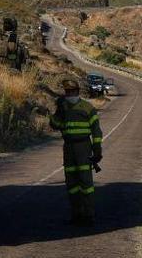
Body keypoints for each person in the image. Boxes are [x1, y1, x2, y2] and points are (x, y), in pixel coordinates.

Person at [50, 78, 102, 226]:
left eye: (72, 91)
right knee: (71, 183)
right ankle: (76, 213)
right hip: (68, 148)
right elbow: (55, 125)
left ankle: (89, 214)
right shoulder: (63, 107)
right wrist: (59, 112)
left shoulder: (88, 108)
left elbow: (96, 131)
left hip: (83, 147)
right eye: (67, 92)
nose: (70, 94)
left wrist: (97, 149)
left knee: (86, 183)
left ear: (78, 92)